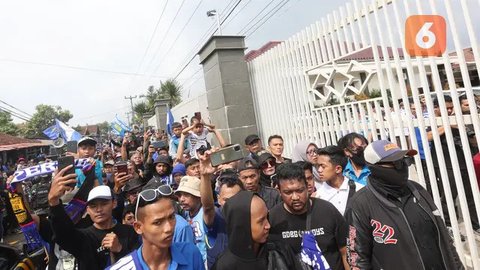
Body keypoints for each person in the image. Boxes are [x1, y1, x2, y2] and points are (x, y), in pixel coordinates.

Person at [345, 140, 463, 270]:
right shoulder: (360, 204)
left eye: (404, 160)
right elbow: (357, 259)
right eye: (395, 163)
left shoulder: (417, 190)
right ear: (375, 167)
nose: (402, 166)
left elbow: (444, 237)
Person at [48, 169, 140, 270]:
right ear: (88, 210)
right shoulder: (83, 238)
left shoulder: (130, 232)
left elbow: (140, 263)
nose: (99, 209)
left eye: (104, 204)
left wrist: (120, 249)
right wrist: (54, 201)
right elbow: (63, 233)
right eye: (93, 206)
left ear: (114, 204)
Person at [268, 163, 349, 270]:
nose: (295, 197)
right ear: (279, 191)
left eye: (300, 190)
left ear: (307, 186)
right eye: (288, 192)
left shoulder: (327, 210)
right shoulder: (273, 218)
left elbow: (345, 251)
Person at [107, 184, 203, 270]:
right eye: (157, 222)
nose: (169, 228)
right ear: (138, 227)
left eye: (171, 217)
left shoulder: (191, 254)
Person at [427, 96, 479, 235]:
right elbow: (428, 136)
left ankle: (476, 224)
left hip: (464, 162)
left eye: (451, 108)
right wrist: (448, 124)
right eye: (446, 108)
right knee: (449, 196)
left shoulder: (461, 118)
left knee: (471, 195)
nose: (449, 110)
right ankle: (450, 225)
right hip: (445, 164)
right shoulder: (433, 120)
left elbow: (474, 143)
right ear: (436, 108)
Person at [212, 190, 301, 270]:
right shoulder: (224, 265)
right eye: (261, 221)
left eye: (267, 217)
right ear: (243, 225)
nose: (268, 226)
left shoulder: (280, 251)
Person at [175, 175, 218, 265]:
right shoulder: (186, 213)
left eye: (186, 195)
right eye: (179, 195)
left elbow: (209, 207)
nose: (182, 199)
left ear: (199, 196)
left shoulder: (206, 215)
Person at [316, 145, 363, 215]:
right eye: (318, 166)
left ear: (338, 169)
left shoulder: (360, 190)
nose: (319, 170)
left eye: (323, 166)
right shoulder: (317, 197)